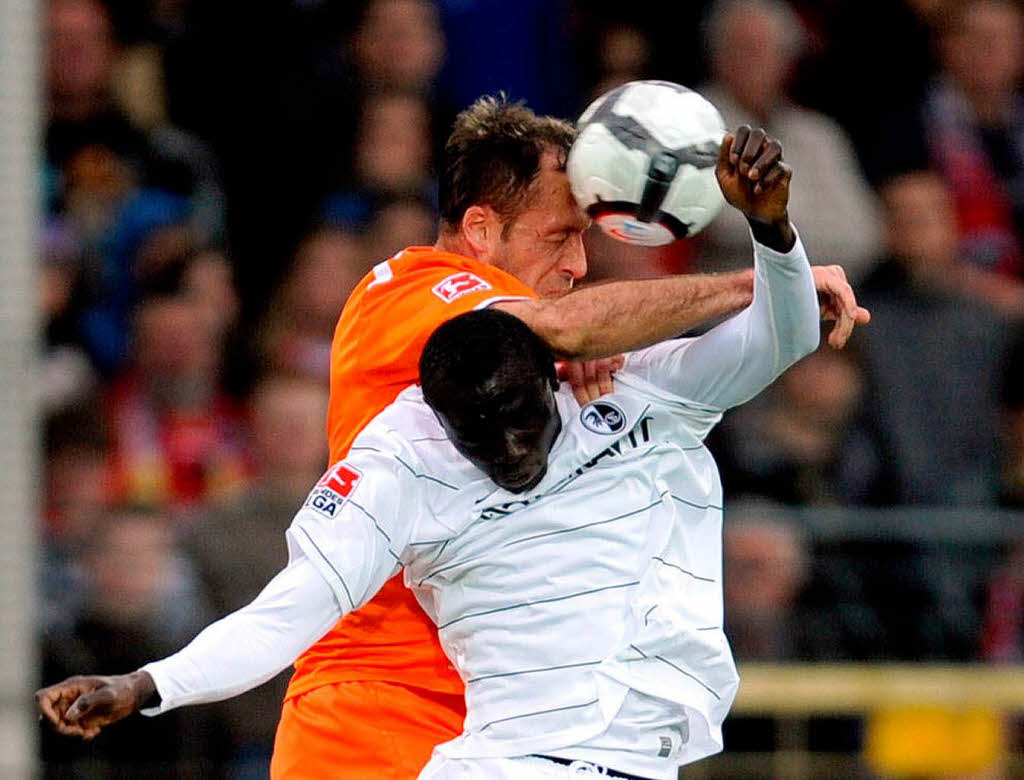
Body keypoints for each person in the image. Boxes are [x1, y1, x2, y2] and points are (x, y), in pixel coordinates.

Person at [40, 106, 864, 779]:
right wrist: (150, 686)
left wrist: (776, 243)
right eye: (560, 236)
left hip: (503, 714)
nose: (580, 265)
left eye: (590, 237)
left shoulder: (595, 382)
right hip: (374, 702)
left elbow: (700, 340)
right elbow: (281, 613)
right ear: (479, 228)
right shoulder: (407, 294)